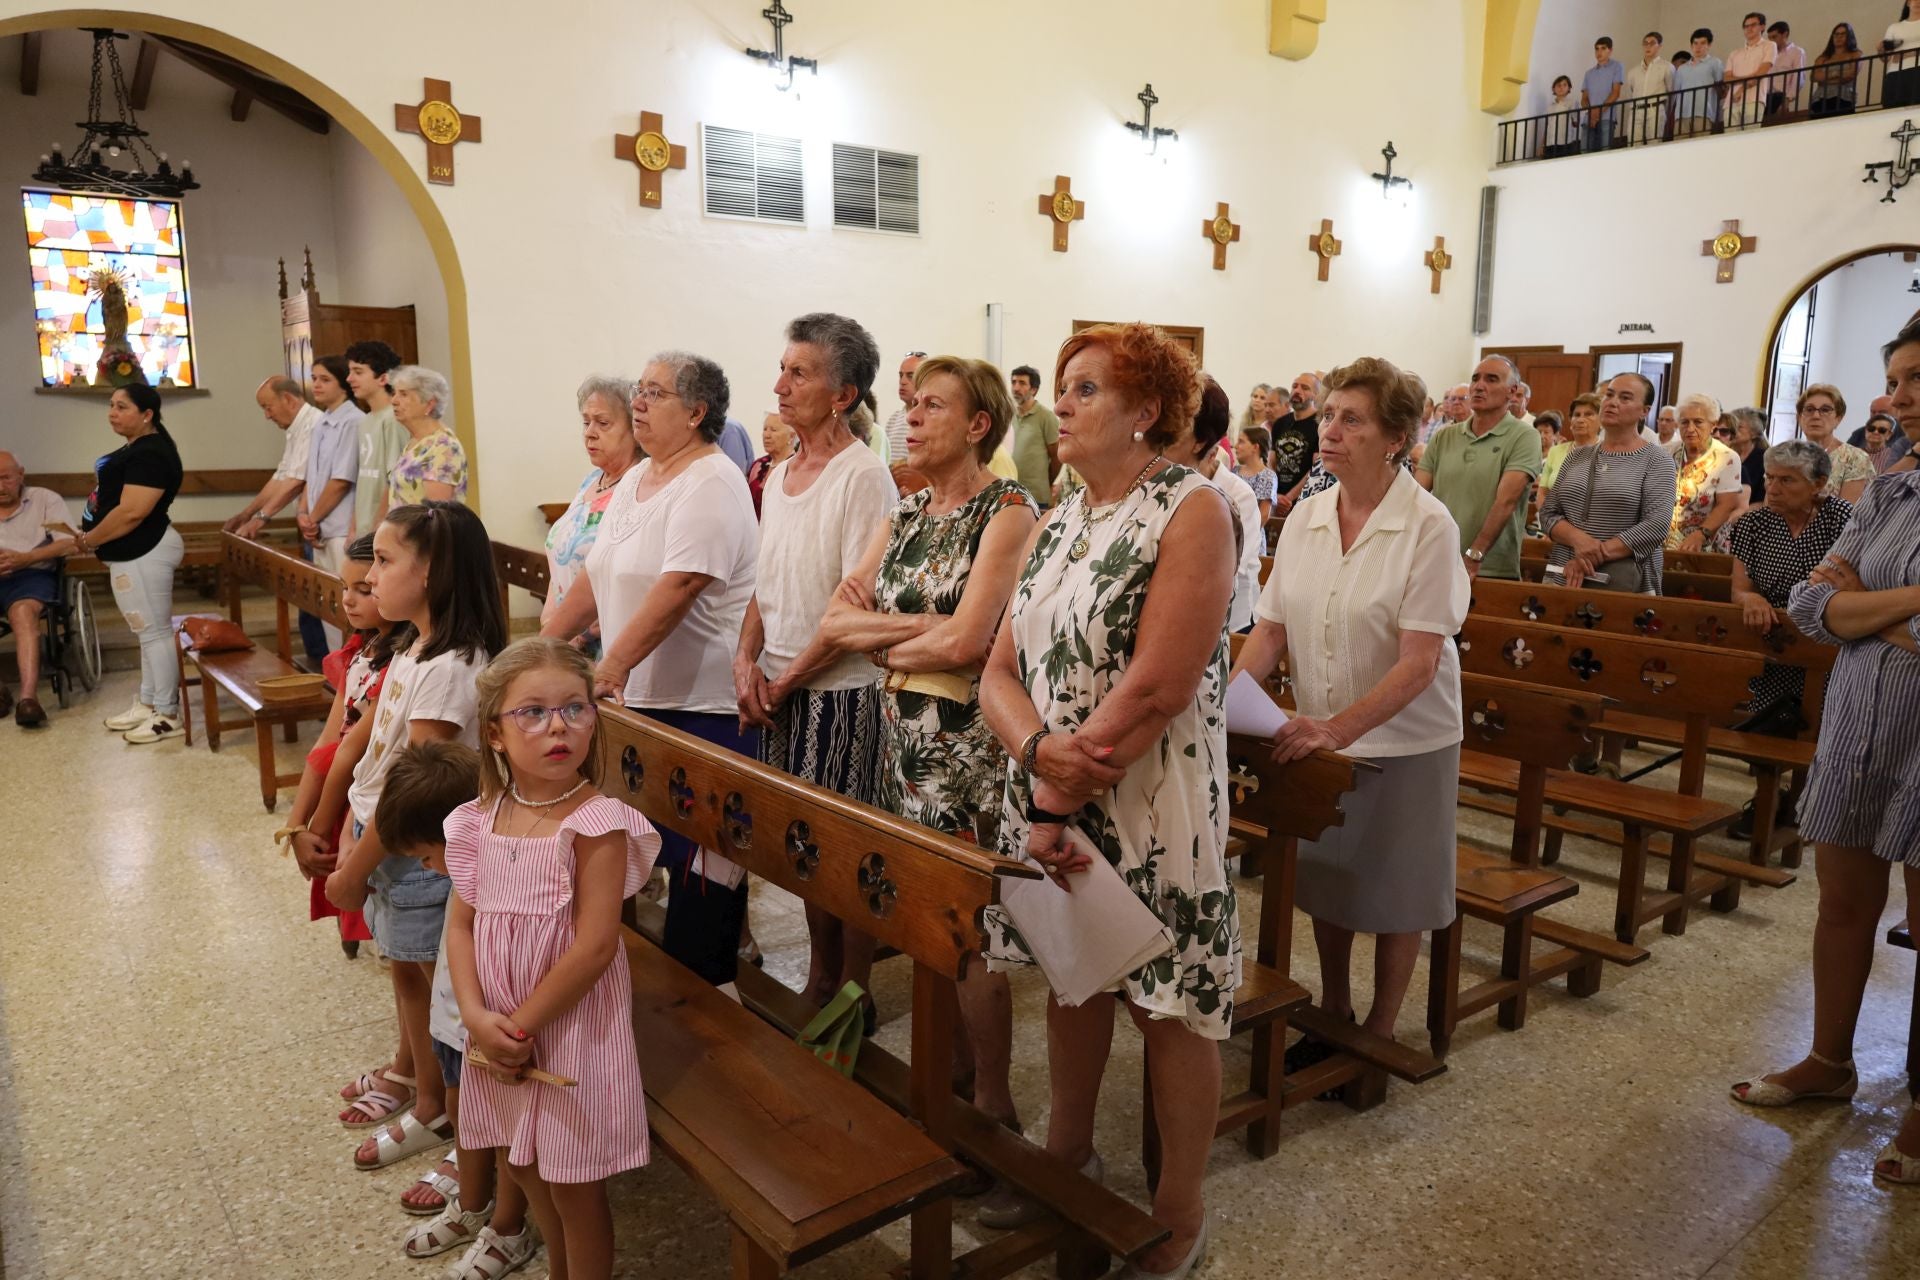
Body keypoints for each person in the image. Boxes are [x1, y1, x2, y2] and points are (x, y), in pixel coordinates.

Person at [976, 321, 1236, 1276]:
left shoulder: (1191, 509)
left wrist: (1063, 776)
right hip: (1052, 786)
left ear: (1147, 413)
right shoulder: (1060, 518)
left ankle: (1179, 1210)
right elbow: (998, 667)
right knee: (1073, 977)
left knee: (1169, 1006)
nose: (1062, 406)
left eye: (1086, 390)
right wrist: (1040, 753)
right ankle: (1066, 1153)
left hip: (1151, 800)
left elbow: (1162, 683)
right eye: (1066, 387)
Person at [815, 354, 1037, 1184]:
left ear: (978, 424)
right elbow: (835, 620)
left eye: (931, 405)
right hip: (895, 725)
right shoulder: (906, 511)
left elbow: (970, 642)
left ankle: (994, 1101)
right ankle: (945, 1069)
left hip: (966, 741)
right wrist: (915, 629)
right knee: (914, 907)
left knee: (968, 925)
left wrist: (888, 630)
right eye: (909, 403)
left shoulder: (1008, 512)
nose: (910, 415)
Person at [1234, 352, 1467, 1081]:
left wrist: (1339, 730)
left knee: (1397, 891)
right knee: (1330, 881)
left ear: (1395, 436)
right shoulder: (1305, 515)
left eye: (1351, 420)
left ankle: (1378, 1028)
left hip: (1405, 738)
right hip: (1316, 729)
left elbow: (1419, 661)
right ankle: (1333, 1009)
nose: (1330, 430)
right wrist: (1224, 702)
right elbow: (1270, 632)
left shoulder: (1427, 525)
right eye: (1328, 415)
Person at [1730, 317, 1920, 1187]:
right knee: (1842, 904)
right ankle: (1829, 1061)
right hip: (1857, 715)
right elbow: (1810, 607)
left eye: (1917, 376)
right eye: (1897, 377)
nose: (1900, 394)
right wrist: (1896, 608)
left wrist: (1863, 603)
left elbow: (1842, 603)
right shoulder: (1889, 488)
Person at [542, 350, 759, 988]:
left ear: (696, 412)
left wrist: (610, 667)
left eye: (655, 392)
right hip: (640, 703)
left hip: (703, 706)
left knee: (703, 868)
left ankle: (712, 1006)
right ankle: (638, 993)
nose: (638, 400)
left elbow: (681, 585)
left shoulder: (712, 481)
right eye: (638, 389)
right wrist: (537, 652)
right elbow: (594, 576)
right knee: (633, 851)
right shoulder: (638, 479)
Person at [445, 638, 660, 1280]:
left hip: (569, 1029)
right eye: (532, 713)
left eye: (575, 708)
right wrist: (478, 1017)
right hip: (498, 1025)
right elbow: (460, 926)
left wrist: (519, 1027)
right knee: (519, 1159)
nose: (558, 726)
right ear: (495, 734)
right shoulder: (480, 818)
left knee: (574, 1183)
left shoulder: (598, 822)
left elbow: (595, 946)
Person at [324, 501, 508, 1172]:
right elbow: (372, 749)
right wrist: (342, 822)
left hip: (418, 853)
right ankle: (426, 1093)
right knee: (406, 971)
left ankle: (452, 1115)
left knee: (441, 994)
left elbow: (419, 788)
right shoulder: (412, 646)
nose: (371, 579)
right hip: (387, 839)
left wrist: (354, 867)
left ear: (429, 574)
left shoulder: (453, 667)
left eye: (384, 560)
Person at [736, 313, 898, 1018]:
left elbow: (850, 608)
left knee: (845, 856)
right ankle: (820, 977)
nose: (778, 386)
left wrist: (786, 679)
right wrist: (745, 659)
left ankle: (850, 993)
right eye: (782, 368)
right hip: (779, 686)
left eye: (798, 373)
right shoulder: (778, 474)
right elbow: (767, 581)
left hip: (839, 693)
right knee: (801, 851)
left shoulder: (863, 477)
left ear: (843, 393)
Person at [374, 742, 539, 1278]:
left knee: (506, 1128)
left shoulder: (502, 882)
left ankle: (510, 1227)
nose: (426, 866)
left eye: (427, 853)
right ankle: (472, 1206)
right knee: (462, 1106)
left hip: (492, 1028)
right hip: (455, 1022)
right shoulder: (462, 876)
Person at [285, 532, 404, 959]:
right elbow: (327, 742)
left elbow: (352, 750)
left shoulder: (400, 662)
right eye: (344, 586)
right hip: (341, 793)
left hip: (368, 799)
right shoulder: (362, 650)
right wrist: (296, 825)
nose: (348, 600)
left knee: (381, 913)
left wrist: (314, 826)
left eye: (363, 589)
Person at [71, 385, 186, 742]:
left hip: (144, 551)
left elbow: (134, 511)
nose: (112, 412)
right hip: (132, 553)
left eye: (122, 407)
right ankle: (149, 702)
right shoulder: (138, 448)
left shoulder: (150, 453)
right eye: (111, 405)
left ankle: (167, 713)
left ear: (146, 414)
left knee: (155, 633)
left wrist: (91, 539)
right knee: (146, 634)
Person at [1728, 440, 1851, 731]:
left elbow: (1848, 585)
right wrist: (1751, 600)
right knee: (1762, 729)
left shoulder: (1842, 519)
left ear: (1818, 483)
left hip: (1824, 641)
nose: (1772, 488)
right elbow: (1740, 589)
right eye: (1769, 478)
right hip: (1769, 637)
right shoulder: (1752, 523)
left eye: (1786, 480)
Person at [1539, 374, 1678, 592]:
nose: (1612, 402)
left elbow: (1656, 526)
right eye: (1609, 395)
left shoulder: (1657, 460)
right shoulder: (1577, 456)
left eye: (1625, 398)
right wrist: (1579, 541)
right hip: (1565, 573)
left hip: (1624, 578)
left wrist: (1594, 554)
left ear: (1645, 411)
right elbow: (1548, 513)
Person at [1416, 355, 1541, 581]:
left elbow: (1506, 502)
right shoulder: (1445, 436)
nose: (1479, 386)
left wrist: (1475, 554)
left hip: (1489, 568)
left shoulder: (1524, 436)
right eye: (1476, 379)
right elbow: (1416, 495)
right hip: (1438, 561)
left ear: (1512, 392)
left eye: (1492, 379)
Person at [540, 376, 639, 658]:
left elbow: (623, 576)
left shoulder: (637, 486)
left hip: (606, 645)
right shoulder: (592, 481)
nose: (590, 433)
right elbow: (560, 553)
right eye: (586, 422)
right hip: (564, 636)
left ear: (635, 428)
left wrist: (576, 636)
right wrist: (550, 619)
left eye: (603, 423)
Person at [1179, 379, 1266, 633]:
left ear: (1204, 446)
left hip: (1234, 621)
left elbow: (1234, 571)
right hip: (1185, 616)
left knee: (1238, 675)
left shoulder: (1239, 496)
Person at [0, 451, 73, 727]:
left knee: (22, 613)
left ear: (21, 474)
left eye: (5, 478)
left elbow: (69, 543)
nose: (0, 487)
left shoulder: (45, 499)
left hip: (32, 574)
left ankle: (28, 699)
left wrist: (26, 558)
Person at [297, 355, 365, 650]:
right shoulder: (321, 421)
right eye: (314, 379)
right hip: (320, 526)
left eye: (325, 379)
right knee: (328, 602)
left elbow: (341, 480)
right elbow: (311, 475)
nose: (317, 385)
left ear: (344, 385)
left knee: (347, 603)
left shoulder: (353, 422)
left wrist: (312, 519)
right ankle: (336, 669)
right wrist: (302, 513)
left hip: (339, 528)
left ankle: (350, 667)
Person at [225, 375, 318, 540]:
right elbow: (281, 477)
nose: (267, 416)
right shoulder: (296, 428)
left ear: (288, 400)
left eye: (268, 407)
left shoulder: (314, 425)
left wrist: (259, 519)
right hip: (310, 521)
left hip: (323, 520)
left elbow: (295, 482)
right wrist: (246, 514)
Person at [1667, 393, 1746, 552]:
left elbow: (1727, 504)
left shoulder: (1727, 457)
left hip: (1705, 541)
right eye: (1684, 422)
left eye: (1698, 422)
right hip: (1664, 540)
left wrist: (1700, 534)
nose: (1690, 429)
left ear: (1713, 425)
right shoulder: (1667, 451)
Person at [345, 339, 407, 540]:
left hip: (382, 531)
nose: (349, 378)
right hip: (363, 530)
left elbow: (394, 481)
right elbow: (363, 481)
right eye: (350, 371)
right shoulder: (366, 421)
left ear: (383, 378)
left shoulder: (393, 418)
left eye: (358, 372)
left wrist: (377, 528)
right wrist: (354, 528)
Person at [387, 365, 469, 507]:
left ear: (429, 404)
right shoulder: (416, 441)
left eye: (403, 394)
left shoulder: (444, 447)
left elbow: (435, 515)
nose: (394, 400)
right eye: (395, 393)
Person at [1795, 383, 1873, 504]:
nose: (1815, 416)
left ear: (1838, 419)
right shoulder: (1786, 456)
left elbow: (1847, 516)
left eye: (1825, 410)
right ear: (1799, 418)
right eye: (1809, 409)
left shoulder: (1854, 459)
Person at [1008, 364, 1061, 507]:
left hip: (1036, 497)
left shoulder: (1046, 417)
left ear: (1034, 389)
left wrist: (1046, 482)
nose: (1016, 387)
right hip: (1009, 495)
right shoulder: (1008, 415)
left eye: (1022, 383)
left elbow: (1057, 457)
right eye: (1013, 382)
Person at [1270, 371, 1322, 515]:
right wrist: (1275, 494)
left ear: (1316, 395)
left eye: (1305, 388)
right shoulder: (1280, 423)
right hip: (1277, 499)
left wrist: (1289, 498)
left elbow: (1315, 468)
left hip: (1303, 502)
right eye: (1295, 386)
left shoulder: (1320, 425)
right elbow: (1271, 462)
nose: (1297, 391)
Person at [1539, 391, 1601, 503]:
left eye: (1588, 414)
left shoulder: (1608, 451)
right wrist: (1550, 519)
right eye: (1576, 415)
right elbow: (1542, 493)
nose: (1580, 420)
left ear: (1601, 420)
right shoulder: (1556, 451)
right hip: (1551, 516)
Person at [883, 350, 926, 492]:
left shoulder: (929, 420)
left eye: (910, 376)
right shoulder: (893, 420)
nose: (902, 382)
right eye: (901, 375)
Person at [1725, 12, 1777, 129]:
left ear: (1762, 26)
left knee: (1750, 136)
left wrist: (1739, 90)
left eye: (1753, 25)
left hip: (1754, 98)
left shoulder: (1769, 45)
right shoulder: (1735, 53)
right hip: (1730, 102)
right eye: (1746, 26)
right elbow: (1727, 79)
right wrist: (1747, 79)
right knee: (1729, 140)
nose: (1749, 29)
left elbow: (1760, 74)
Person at [1672, 28, 1726, 136]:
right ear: (1691, 45)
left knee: (1701, 147)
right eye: (1695, 43)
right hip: (1682, 114)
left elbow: (1721, 89)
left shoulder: (1715, 63)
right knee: (1679, 149)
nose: (1698, 47)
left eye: (1702, 43)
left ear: (1709, 45)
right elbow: (1676, 93)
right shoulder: (1682, 68)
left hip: (1704, 113)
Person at [1625, 31, 1672, 144]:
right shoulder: (1633, 71)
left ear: (1660, 46)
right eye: (1645, 43)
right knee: (1633, 144)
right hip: (1637, 110)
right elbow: (1629, 94)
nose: (1648, 46)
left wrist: (1664, 111)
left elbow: (1672, 91)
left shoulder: (1666, 67)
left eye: (1652, 43)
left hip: (1655, 108)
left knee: (1654, 143)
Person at [1581, 36, 1625, 151]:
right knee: (1584, 152)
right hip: (1588, 119)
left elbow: (1615, 93)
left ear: (1610, 50)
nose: (1599, 52)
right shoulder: (1589, 73)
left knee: (1605, 152)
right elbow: (1584, 99)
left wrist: (1598, 113)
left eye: (1603, 48)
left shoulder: (1617, 66)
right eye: (1597, 49)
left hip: (1607, 117)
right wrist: (1592, 114)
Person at [1811, 22, 1864, 115]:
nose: (1839, 37)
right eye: (1836, 34)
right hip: (1820, 98)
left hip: (1844, 98)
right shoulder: (1823, 57)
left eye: (1843, 34)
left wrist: (1825, 79)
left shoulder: (1856, 54)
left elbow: (1850, 75)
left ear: (1849, 36)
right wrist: (1836, 74)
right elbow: (1814, 77)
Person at [747, 411, 793, 518]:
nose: (766, 435)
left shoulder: (795, 468)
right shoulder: (758, 465)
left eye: (774, 430)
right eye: (765, 429)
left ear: (791, 436)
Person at [1234, 425, 1278, 526]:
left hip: (1251, 537)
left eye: (1241, 441)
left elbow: (1263, 516)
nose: (1236, 446)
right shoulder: (1234, 471)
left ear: (1255, 447)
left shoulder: (1267, 476)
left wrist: (1242, 535)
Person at [1728, 406, 1770, 501]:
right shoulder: (1726, 454)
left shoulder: (1764, 459)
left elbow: (1763, 500)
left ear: (1754, 433)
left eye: (1739, 427)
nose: (1733, 430)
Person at [1765, 20, 1807, 116]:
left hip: (1781, 97)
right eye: (1769, 38)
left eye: (1774, 37)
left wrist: (1787, 101)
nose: (1771, 41)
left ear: (1785, 34)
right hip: (1765, 96)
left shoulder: (1797, 52)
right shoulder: (1768, 54)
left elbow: (1798, 78)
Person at [1886, 3, 1920, 108]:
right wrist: (1880, 49)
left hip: (1918, 69)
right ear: (1908, 3)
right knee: (1892, 109)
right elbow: (1886, 57)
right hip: (1895, 72)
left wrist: (1904, 55)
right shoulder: (1894, 27)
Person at [1543, 75, 1581, 157]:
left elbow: (1576, 122)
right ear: (1553, 89)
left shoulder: (1572, 102)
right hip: (1550, 143)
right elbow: (1547, 126)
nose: (1561, 88)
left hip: (1565, 142)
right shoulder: (1550, 106)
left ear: (1569, 88)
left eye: (1564, 85)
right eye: (1558, 85)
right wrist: (1542, 145)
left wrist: (1574, 119)